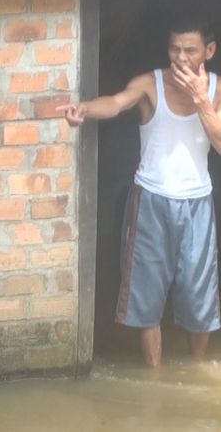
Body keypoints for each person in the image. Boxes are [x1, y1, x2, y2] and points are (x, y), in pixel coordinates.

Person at [58, 19, 221, 367]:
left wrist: (200, 98)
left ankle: (197, 367)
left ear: (209, 50)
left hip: (197, 205)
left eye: (190, 50)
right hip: (150, 201)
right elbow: (116, 103)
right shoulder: (151, 84)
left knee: (200, 299)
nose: (180, 57)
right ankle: (156, 375)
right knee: (146, 299)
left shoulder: (217, 90)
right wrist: (85, 109)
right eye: (174, 48)